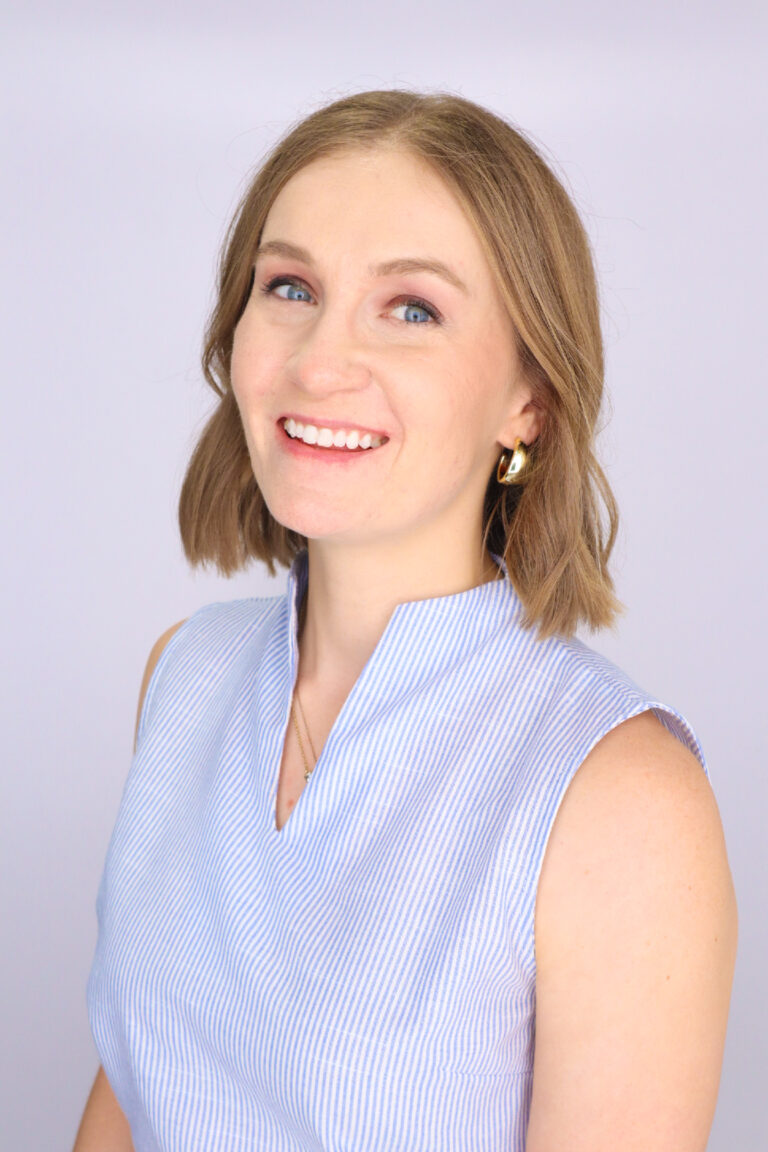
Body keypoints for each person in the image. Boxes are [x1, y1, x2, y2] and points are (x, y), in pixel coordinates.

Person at [74, 89, 737, 1152]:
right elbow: (142, 1084)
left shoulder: (617, 797)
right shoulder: (185, 675)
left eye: (412, 308)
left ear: (529, 400)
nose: (317, 362)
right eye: (289, 287)